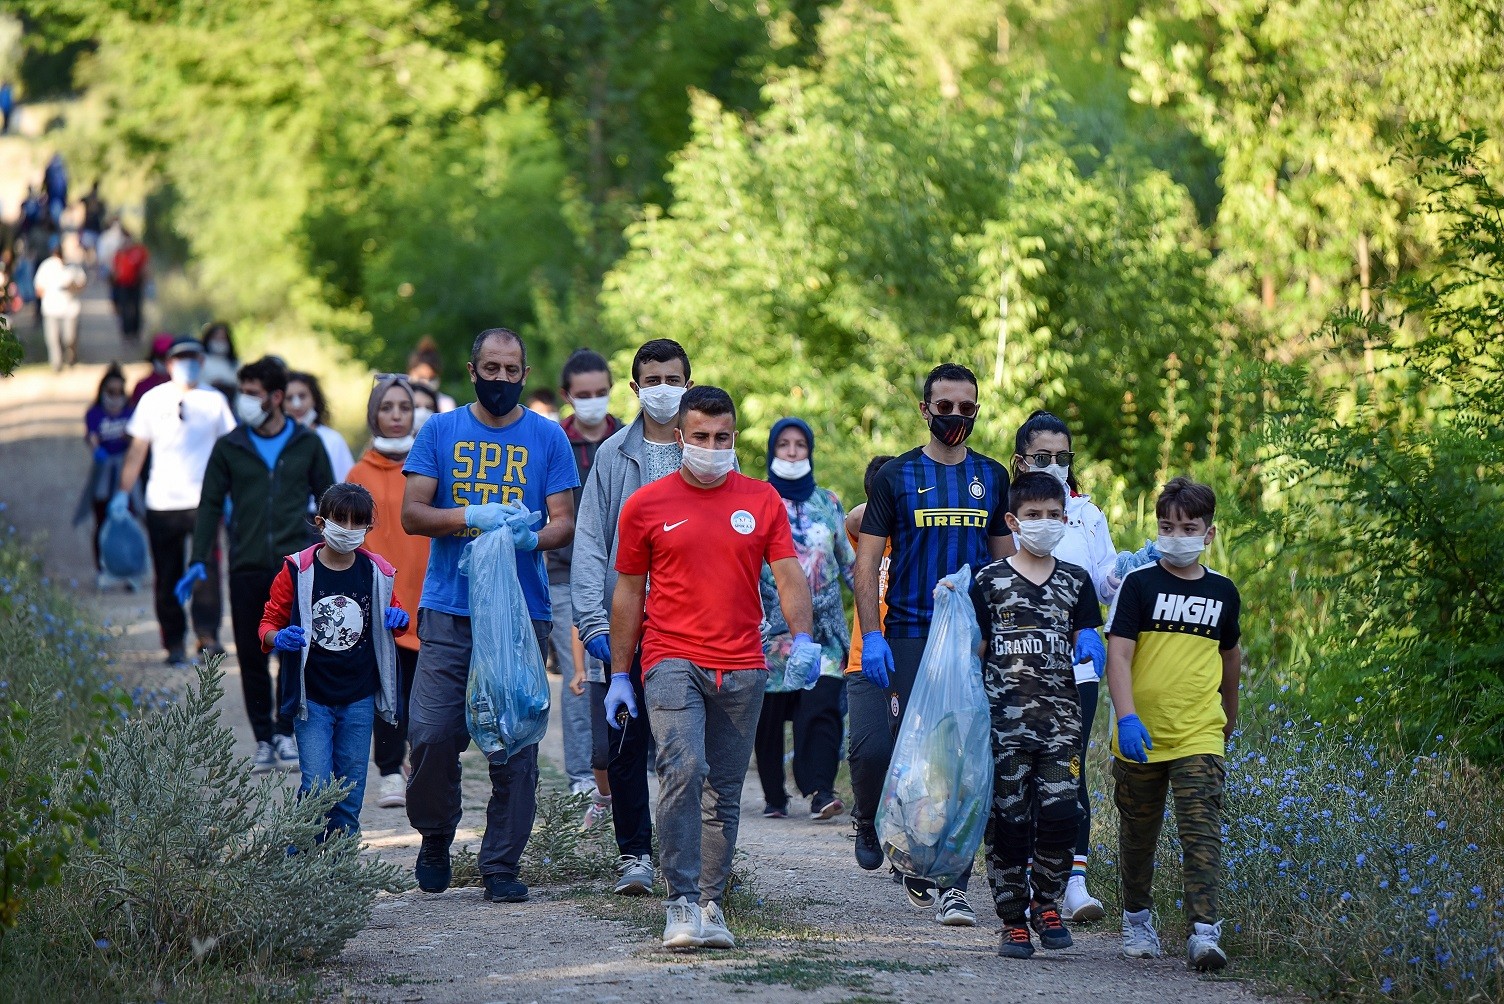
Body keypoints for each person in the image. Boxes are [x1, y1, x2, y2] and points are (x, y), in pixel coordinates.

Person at [608, 385, 816, 950]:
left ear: (735, 438)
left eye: (722, 437)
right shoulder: (646, 504)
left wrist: (802, 636)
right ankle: (679, 901)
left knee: (723, 788)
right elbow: (628, 592)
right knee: (683, 766)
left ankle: (710, 904)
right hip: (670, 657)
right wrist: (621, 673)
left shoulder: (762, 500)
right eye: (700, 436)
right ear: (680, 438)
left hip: (743, 664)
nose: (712, 447)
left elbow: (789, 574)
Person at [401, 327, 579, 904]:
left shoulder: (548, 437)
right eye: (491, 368)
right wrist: (470, 515)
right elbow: (412, 514)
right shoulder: (440, 430)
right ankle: (435, 835)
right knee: (432, 735)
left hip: (521, 613)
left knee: (515, 743)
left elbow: (563, 521)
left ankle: (501, 863)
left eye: (511, 370)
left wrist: (529, 537)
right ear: (472, 371)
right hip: (449, 608)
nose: (501, 378)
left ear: (525, 374)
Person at [849, 362, 1013, 927]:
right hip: (908, 633)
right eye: (945, 407)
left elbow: (1004, 564)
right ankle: (876, 823)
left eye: (966, 408)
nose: (955, 417)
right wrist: (873, 636)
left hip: (969, 640)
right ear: (925, 410)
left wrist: (1002, 633)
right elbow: (866, 562)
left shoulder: (992, 476)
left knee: (953, 760)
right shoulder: (896, 476)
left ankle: (950, 883)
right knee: (886, 753)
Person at [571, 337, 694, 898]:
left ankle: (684, 856)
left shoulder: (709, 448)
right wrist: (592, 621)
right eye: (653, 381)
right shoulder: (613, 454)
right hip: (626, 619)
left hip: (689, 622)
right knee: (623, 743)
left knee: (684, 748)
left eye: (674, 380)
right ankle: (634, 855)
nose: (663, 390)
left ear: (689, 384)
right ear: (635, 387)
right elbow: (590, 541)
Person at [1105, 476, 1241, 971]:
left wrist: (1228, 718)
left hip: (1199, 733)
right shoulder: (1139, 584)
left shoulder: (1223, 592)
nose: (1176, 536)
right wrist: (1127, 717)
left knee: (1201, 831)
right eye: (1166, 527)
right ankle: (1137, 919)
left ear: (1208, 534)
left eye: (1187, 528)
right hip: (1141, 733)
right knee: (1138, 833)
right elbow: (1119, 655)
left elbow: (1231, 657)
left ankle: (1204, 932)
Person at [970, 471, 1103, 959]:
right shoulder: (989, 582)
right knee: (1008, 821)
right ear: (1013, 520)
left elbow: (1086, 631)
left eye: (1052, 515)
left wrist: (1089, 641)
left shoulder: (1076, 581)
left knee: (1061, 816)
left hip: (1062, 725)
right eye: (1033, 515)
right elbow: (975, 651)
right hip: (1003, 727)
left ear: (1065, 520)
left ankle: (1046, 904)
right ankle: (1012, 920)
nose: (1044, 523)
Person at [182, 357, 335, 774]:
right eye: (242, 392)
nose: (244, 401)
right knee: (252, 653)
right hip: (246, 565)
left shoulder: (307, 444)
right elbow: (209, 505)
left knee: (293, 651)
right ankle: (263, 739)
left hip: (294, 567)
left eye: (252, 394)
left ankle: (285, 732)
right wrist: (198, 559)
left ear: (276, 397)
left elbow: (329, 501)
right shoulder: (230, 447)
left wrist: (336, 551)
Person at [1008, 410, 1120, 922]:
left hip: (1077, 668)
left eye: (1062, 457)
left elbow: (1105, 582)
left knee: (1069, 772)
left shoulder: (1088, 515)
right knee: (1021, 772)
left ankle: (1074, 882)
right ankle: (1026, 877)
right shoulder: (1010, 515)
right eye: (1042, 456)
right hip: (1018, 667)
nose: (1053, 465)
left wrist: (1121, 576)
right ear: (1021, 460)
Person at [259, 483, 410, 840]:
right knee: (315, 784)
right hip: (311, 698)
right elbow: (268, 622)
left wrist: (399, 620)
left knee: (350, 789)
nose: (348, 529)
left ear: (369, 527)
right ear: (321, 521)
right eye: (340, 520)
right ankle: (301, 858)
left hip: (359, 697)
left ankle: (342, 863)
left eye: (358, 522)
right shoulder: (297, 570)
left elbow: (395, 616)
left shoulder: (378, 572)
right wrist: (278, 638)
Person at [111, 338, 234, 666]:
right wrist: (122, 493)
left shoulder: (215, 401)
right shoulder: (152, 399)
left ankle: (207, 636)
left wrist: (231, 493)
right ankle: (174, 641)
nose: (187, 363)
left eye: (193, 357)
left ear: (202, 362)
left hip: (205, 503)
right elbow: (137, 450)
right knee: (167, 574)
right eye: (180, 358)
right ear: (168, 363)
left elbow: (230, 451)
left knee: (207, 570)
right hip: (162, 502)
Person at [755, 417, 854, 820]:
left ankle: (820, 790)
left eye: (800, 445)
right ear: (772, 451)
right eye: (784, 444)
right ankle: (774, 795)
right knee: (768, 717)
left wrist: (880, 601)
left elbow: (848, 562)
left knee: (822, 706)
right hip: (769, 632)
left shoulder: (828, 502)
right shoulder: (757, 500)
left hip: (823, 634)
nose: (793, 452)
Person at [546, 349, 623, 825]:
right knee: (580, 673)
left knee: (624, 668)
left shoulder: (628, 439)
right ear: (567, 395)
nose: (593, 400)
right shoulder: (555, 442)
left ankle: (622, 765)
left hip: (625, 574)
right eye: (584, 394)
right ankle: (581, 775)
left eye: (601, 392)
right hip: (564, 573)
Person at [345, 375, 428, 809]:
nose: (396, 416)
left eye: (404, 407)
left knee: (423, 690)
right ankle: (390, 771)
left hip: (426, 595)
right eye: (387, 407)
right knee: (387, 689)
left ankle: (420, 763)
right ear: (373, 413)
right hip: (379, 599)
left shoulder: (428, 464)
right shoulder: (358, 474)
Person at [81, 364, 134, 585]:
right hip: (103, 472)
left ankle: (130, 568)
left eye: (119, 392)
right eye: (111, 392)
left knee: (130, 520)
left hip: (126, 471)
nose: (115, 397)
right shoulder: (94, 413)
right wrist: (97, 449)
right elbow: (92, 437)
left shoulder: (131, 412)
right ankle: (102, 568)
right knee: (101, 520)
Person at [285, 372, 355, 482]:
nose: (296, 405)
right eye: (289, 398)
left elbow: (346, 483)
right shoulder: (277, 441)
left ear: (314, 399)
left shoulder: (333, 440)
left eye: (302, 396)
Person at [33, 236, 86, 371]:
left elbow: (82, 283)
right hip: (51, 308)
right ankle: (56, 363)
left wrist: (72, 287)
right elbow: (39, 288)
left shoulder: (73, 267)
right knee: (53, 339)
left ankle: (70, 357)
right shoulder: (46, 266)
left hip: (70, 309)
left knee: (69, 337)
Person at [111, 228, 149, 342]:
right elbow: (115, 271)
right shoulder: (119, 254)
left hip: (136, 284)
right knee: (124, 309)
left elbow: (145, 266)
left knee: (136, 308)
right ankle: (126, 333)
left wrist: (144, 279)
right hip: (123, 285)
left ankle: (135, 332)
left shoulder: (139, 251)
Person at [406, 336, 457, 412]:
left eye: (431, 378)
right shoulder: (400, 402)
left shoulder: (445, 405)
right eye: (421, 377)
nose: (426, 383)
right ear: (410, 373)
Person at [130, 333, 176, 407]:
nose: (164, 362)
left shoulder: (183, 386)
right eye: (161, 357)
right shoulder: (142, 386)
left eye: (167, 358)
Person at [199, 321, 239, 398]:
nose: (219, 342)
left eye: (222, 338)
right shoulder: (202, 360)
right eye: (216, 338)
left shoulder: (235, 363)